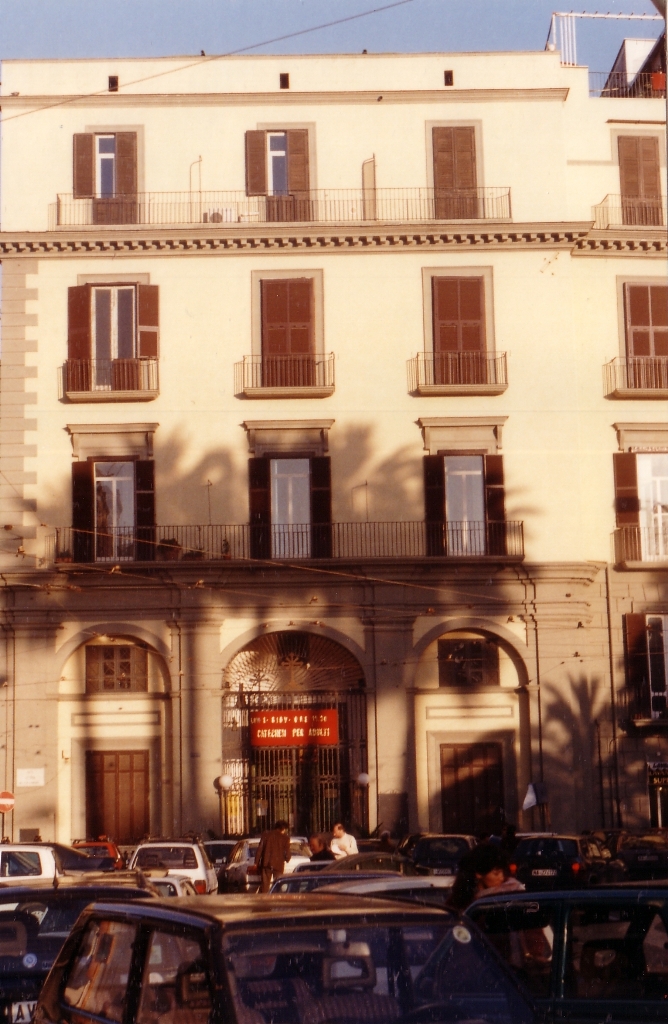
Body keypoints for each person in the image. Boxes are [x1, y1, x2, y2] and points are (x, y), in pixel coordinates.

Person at [447, 843, 524, 911]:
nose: (502, 878)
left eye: (502, 873)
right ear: (479, 874)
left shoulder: (512, 888)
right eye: (496, 874)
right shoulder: (464, 903)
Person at [254, 819, 291, 892]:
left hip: (266, 864)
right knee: (278, 884)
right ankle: (276, 900)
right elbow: (287, 853)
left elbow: (259, 850)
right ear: (283, 829)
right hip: (278, 865)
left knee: (265, 886)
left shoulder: (266, 835)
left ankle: (264, 901)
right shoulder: (285, 838)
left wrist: (256, 863)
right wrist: (287, 858)